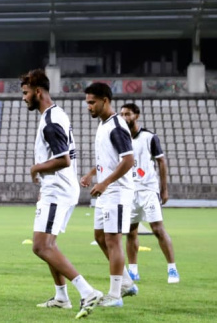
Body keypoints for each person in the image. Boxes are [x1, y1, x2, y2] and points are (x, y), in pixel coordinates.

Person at [20, 69, 103, 319]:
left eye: (25, 93)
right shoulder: (56, 114)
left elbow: (63, 160)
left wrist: (35, 168)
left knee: (40, 246)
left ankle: (87, 291)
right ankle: (61, 297)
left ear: (38, 92)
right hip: (55, 188)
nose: (23, 98)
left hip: (58, 189)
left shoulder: (50, 121)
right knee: (49, 245)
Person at [80, 82, 139, 308]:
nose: (89, 107)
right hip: (107, 191)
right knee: (99, 237)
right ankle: (126, 282)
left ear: (105, 100)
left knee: (113, 241)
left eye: (92, 102)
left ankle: (115, 295)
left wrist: (104, 182)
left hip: (117, 192)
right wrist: (92, 174)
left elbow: (128, 160)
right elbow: (109, 159)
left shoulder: (116, 126)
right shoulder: (103, 124)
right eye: (87, 103)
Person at [119, 103, 179, 284]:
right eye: (122, 114)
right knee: (131, 231)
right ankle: (133, 271)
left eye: (127, 114)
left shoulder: (149, 137)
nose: (124, 118)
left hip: (148, 190)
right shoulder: (120, 138)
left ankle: (172, 269)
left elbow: (161, 162)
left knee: (157, 229)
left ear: (136, 116)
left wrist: (164, 189)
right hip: (130, 191)